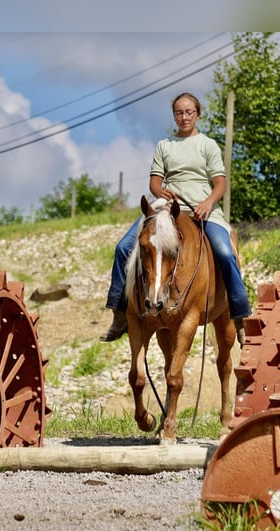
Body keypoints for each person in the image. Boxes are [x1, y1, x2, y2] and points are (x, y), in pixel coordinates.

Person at [99, 92, 251, 345]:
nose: (184, 117)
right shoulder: (164, 145)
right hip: (167, 211)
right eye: (179, 113)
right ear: (174, 116)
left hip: (203, 210)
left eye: (189, 112)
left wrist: (208, 203)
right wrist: (160, 192)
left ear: (198, 114)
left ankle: (240, 314)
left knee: (225, 252)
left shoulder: (207, 145)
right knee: (123, 247)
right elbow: (155, 183)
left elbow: (220, 184)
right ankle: (119, 312)